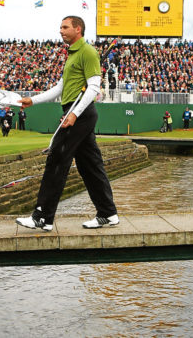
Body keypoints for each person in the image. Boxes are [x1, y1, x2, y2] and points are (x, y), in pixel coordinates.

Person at [16, 15, 118, 231]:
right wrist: (32, 100)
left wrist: (74, 115)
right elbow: (60, 87)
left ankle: (42, 217)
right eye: (60, 27)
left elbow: (93, 88)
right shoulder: (72, 54)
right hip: (75, 111)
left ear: (78, 29)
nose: (60, 30)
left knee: (56, 160)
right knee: (90, 165)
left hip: (79, 112)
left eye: (65, 27)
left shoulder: (88, 52)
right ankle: (108, 213)